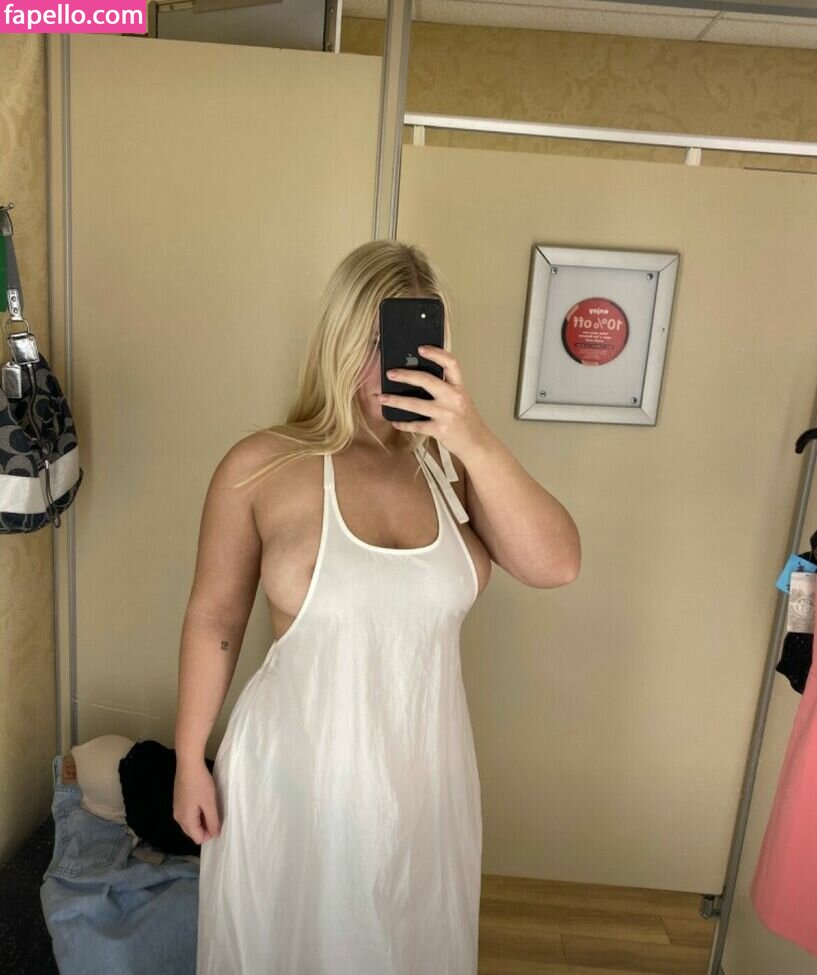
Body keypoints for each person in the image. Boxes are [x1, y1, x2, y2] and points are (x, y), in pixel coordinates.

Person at [173, 239, 581, 974]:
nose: (382, 367)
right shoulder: (260, 465)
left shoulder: (451, 466)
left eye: (402, 345)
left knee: (412, 945)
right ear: (334, 340)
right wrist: (187, 758)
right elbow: (215, 619)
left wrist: (472, 436)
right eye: (366, 343)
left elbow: (557, 563)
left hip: (427, 779)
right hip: (294, 779)